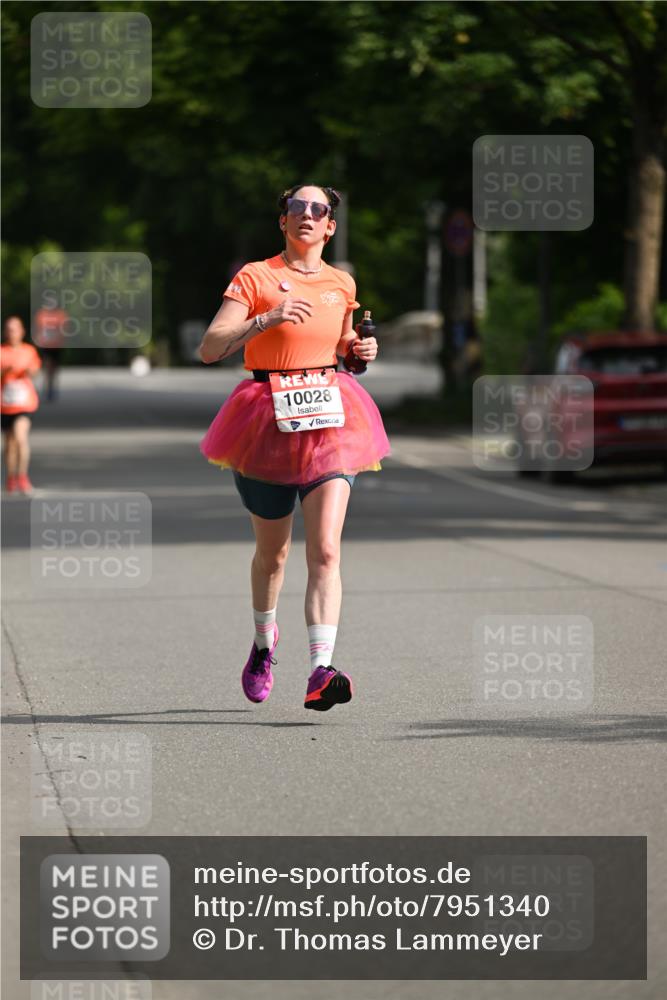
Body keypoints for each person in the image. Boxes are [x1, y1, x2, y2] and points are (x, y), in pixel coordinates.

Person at [199, 184, 390, 711]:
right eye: (297, 208)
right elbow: (210, 347)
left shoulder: (341, 282)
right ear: (283, 221)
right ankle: (264, 644)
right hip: (265, 419)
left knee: (326, 549)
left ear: (330, 226)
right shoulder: (255, 277)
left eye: (318, 210)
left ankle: (320, 670)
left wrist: (358, 351)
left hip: (331, 418)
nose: (307, 216)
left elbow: (344, 351)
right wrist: (267, 317)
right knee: (274, 554)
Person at [1, 315, 42, 494]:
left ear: (22, 331)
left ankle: (23, 477)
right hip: (5, 404)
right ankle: (11, 477)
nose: (12, 333)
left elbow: (35, 371)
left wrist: (29, 371)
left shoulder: (29, 351)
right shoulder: (1, 351)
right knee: (9, 444)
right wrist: (5, 372)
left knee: (20, 437)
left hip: (24, 404)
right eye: (9, 329)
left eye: (15, 329)